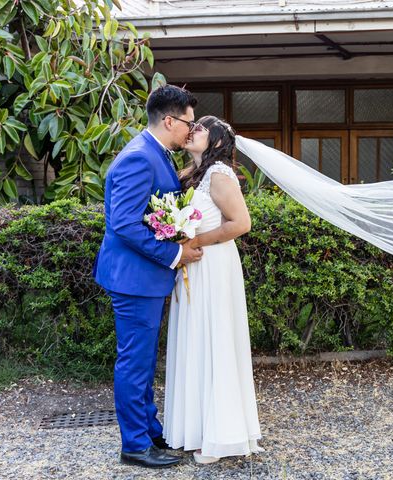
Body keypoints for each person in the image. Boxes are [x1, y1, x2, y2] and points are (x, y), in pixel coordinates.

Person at [93, 85, 206, 468]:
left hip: (144, 278)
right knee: (134, 363)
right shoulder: (139, 158)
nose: (191, 132)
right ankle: (135, 446)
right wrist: (175, 252)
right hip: (133, 279)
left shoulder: (157, 154)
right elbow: (124, 224)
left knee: (142, 361)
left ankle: (149, 431)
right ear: (170, 120)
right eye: (189, 124)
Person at [163, 115, 263, 464]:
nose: (193, 130)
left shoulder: (219, 174)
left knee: (214, 340)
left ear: (218, 142)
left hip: (214, 266)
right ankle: (195, 428)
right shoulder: (191, 176)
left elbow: (241, 223)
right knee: (195, 340)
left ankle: (222, 434)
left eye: (202, 128)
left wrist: (193, 242)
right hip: (192, 267)